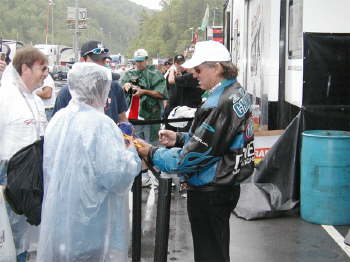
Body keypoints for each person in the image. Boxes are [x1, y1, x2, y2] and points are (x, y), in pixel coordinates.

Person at [136, 41, 255, 262]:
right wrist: (180, 137)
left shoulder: (219, 102)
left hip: (211, 189)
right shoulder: (237, 91)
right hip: (227, 183)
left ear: (217, 67)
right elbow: (216, 141)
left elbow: (189, 159)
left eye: (198, 70)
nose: (194, 75)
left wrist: (151, 152)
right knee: (217, 249)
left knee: (209, 254)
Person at [37, 62, 141, 262]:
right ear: (100, 89)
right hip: (90, 225)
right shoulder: (101, 124)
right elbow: (116, 176)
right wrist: (130, 149)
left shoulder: (59, 119)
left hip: (60, 220)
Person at [0, 46, 48, 262]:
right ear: (25, 68)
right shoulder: (5, 98)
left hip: (32, 177)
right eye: (42, 68)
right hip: (8, 176)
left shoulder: (36, 101)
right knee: (7, 236)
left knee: (25, 234)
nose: (46, 73)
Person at [121, 48, 167, 187]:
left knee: (152, 144)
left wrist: (144, 91)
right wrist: (126, 86)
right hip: (133, 117)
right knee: (136, 145)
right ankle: (143, 175)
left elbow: (161, 94)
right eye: (137, 62)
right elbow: (121, 89)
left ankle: (158, 175)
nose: (139, 64)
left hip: (150, 116)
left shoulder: (155, 74)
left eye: (141, 61)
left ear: (146, 60)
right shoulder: (129, 74)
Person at [52, 40, 128, 123]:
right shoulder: (67, 92)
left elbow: (122, 118)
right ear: (82, 60)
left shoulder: (114, 87)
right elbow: (56, 125)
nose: (100, 64)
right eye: (96, 60)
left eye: (103, 60)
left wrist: (126, 130)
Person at [164, 54, 203, 131]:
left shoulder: (188, 75)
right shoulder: (169, 75)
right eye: (178, 63)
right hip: (172, 107)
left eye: (182, 62)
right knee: (169, 131)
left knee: (182, 133)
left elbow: (172, 81)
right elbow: (167, 90)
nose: (180, 65)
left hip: (186, 109)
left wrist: (172, 70)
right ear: (174, 63)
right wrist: (165, 104)